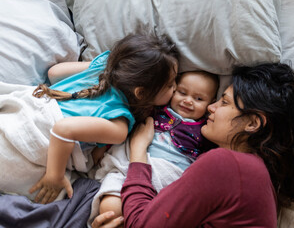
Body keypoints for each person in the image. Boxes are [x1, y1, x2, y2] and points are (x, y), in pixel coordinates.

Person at [92, 63, 294, 228]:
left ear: (252, 123)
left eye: (224, 103)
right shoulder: (256, 179)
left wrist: (138, 153)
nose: (210, 107)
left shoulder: (227, 164)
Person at [28, 33, 179, 204]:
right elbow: (63, 129)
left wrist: (106, 66)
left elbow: (54, 73)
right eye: (170, 84)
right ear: (141, 93)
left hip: (31, 107)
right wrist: (55, 176)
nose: (175, 88)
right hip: (41, 132)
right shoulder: (118, 124)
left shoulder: (103, 64)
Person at [93, 70, 219, 221]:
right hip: (130, 163)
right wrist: (104, 146)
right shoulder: (156, 110)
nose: (188, 100)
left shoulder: (205, 130)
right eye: (182, 92)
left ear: (210, 104)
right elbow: (128, 125)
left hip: (169, 173)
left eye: (198, 98)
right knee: (110, 208)